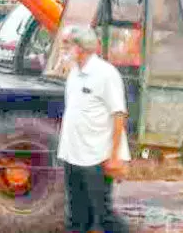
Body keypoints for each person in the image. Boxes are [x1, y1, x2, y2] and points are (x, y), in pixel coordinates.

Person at [58, 26, 130, 233]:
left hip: (96, 156)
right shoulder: (74, 73)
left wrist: (115, 156)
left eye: (66, 45)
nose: (63, 49)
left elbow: (118, 114)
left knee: (104, 214)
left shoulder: (105, 73)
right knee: (77, 215)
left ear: (80, 48)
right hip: (72, 154)